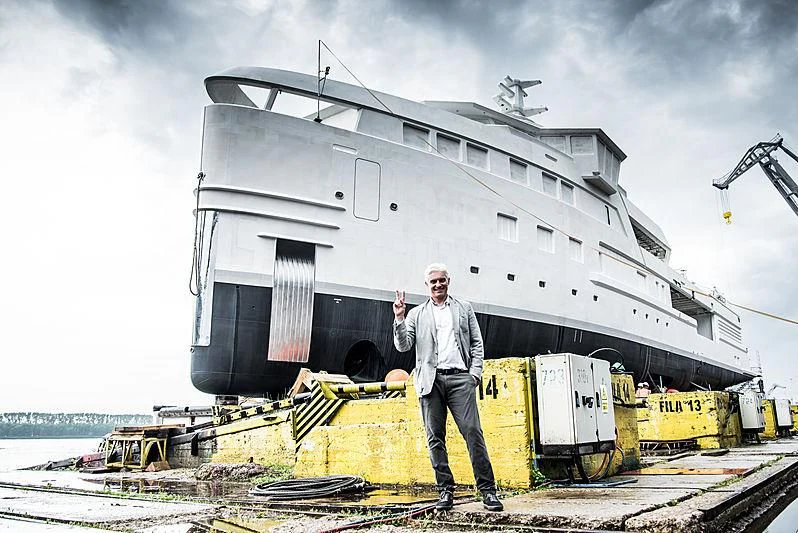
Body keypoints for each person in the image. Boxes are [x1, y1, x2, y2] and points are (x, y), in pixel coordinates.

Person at [393, 263, 503, 512]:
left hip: (460, 380)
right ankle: (445, 491)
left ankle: (488, 491)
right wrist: (399, 317)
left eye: (441, 280)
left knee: (473, 432)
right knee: (435, 439)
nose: (438, 284)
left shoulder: (464, 308)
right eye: (433, 281)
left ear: (448, 281)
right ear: (427, 285)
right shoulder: (416, 314)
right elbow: (403, 346)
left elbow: (477, 343)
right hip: (430, 382)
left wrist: (474, 374)